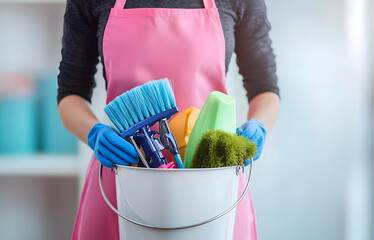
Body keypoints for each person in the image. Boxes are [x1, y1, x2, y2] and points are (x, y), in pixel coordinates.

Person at [57, 0, 280, 239]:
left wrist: (259, 125)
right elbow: (70, 94)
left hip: (213, 183)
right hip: (121, 175)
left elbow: (265, 89)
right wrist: (95, 133)